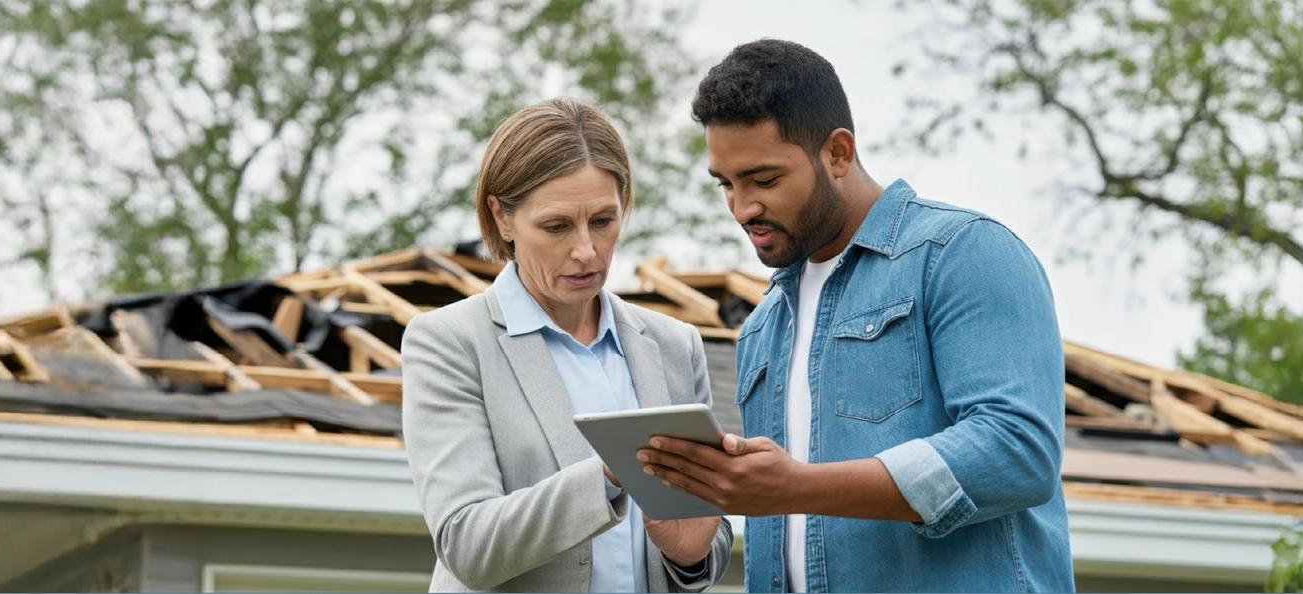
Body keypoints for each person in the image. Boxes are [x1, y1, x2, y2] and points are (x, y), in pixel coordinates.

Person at [636, 39, 1075, 592]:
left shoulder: (961, 253)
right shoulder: (762, 327)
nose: (742, 208)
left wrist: (797, 486)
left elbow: (1017, 451)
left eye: (764, 180)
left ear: (838, 153)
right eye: (727, 184)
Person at [401, 97, 734, 592]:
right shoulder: (450, 344)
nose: (586, 251)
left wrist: (689, 559)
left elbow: (703, 529)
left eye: (603, 221)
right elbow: (465, 544)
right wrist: (609, 474)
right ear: (502, 217)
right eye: (556, 226)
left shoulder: (674, 344)